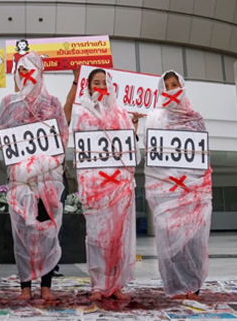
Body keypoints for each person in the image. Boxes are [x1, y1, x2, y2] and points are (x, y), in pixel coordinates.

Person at [0, 52, 69, 301]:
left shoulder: (53, 102)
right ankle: (25, 287)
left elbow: (63, 138)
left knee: (48, 232)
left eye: (31, 69)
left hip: (48, 180)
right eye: (21, 70)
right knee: (22, 234)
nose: (25, 75)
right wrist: (22, 168)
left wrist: (42, 164)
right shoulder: (7, 103)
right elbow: (3, 138)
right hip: (20, 181)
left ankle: (46, 286)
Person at [143, 71, 213, 300]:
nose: (172, 89)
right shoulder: (154, 118)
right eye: (167, 86)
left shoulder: (195, 118)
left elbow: (202, 157)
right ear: (161, 90)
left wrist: (193, 184)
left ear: (182, 86)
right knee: (170, 244)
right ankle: (174, 287)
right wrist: (169, 183)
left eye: (175, 85)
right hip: (167, 194)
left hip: (193, 191)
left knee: (194, 242)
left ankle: (194, 288)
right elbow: (152, 159)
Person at [69, 68, 137, 301]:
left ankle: (116, 283)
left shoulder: (122, 113)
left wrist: (133, 126)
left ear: (110, 85)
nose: (99, 86)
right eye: (94, 82)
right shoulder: (81, 112)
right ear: (87, 86)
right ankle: (99, 284)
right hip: (94, 186)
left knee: (119, 236)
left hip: (118, 185)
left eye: (103, 82)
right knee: (96, 236)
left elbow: (130, 148)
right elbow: (80, 147)